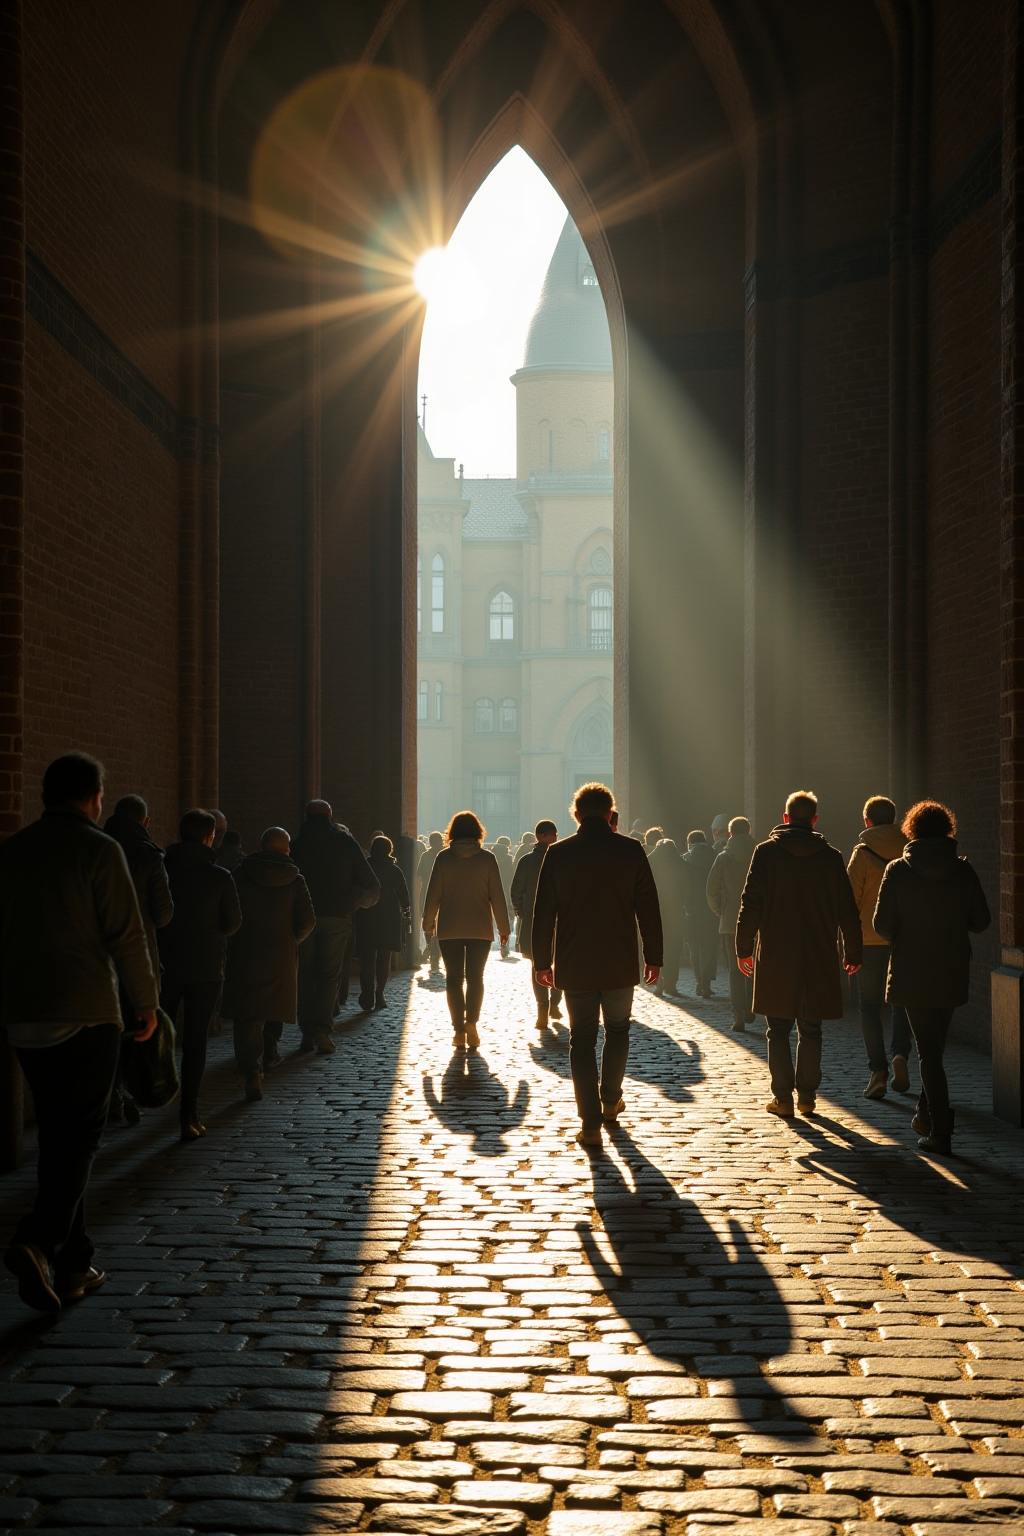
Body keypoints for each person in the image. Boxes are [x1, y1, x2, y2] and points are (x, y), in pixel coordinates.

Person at [1, 754, 158, 1312]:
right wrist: (147, 1002)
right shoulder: (99, 849)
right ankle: (37, 1242)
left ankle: (72, 1263)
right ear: (94, 797)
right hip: (87, 1012)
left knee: (59, 1138)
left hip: (24, 1015)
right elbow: (128, 933)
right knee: (83, 1137)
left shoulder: (13, 851)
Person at [532, 783, 663, 1148]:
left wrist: (542, 962)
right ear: (610, 814)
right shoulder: (631, 850)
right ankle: (609, 1101)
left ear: (576, 815)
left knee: (582, 1039)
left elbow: (543, 914)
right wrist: (654, 956)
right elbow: (648, 909)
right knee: (618, 1030)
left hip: (576, 962)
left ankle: (589, 1120)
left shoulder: (558, 854)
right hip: (620, 960)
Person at [736, 790, 863, 1117]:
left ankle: (783, 1098)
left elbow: (751, 903)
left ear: (786, 818)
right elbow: (848, 910)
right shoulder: (832, 857)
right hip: (818, 953)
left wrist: (743, 948)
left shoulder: (766, 854)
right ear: (815, 820)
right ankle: (807, 1095)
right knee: (811, 1028)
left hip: (777, 953)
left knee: (777, 1028)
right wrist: (853, 951)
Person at [873, 799, 990, 1154]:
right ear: (947, 830)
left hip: (911, 969)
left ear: (912, 829)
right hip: (952, 969)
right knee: (933, 1049)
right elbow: (981, 921)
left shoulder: (897, 870)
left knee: (928, 1053)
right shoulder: (963, 870)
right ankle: (926, 1115)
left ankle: (940, 1132)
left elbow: (881, 925)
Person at [159, 808, 242, 1141]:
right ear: (210, 837)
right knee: (195, 1041)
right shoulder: (220, 876)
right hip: (206, 966)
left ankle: (151, 1093)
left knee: (159, 1032)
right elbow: (233, 922)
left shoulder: (162, 867)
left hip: (165, 963)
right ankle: (188, 1113)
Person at [221, 827, 316, 1099]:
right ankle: (271, 1052)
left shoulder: (239, 875)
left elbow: (228, 912)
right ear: (287, 849)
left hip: (246, 949)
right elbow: (308, 921)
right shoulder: (295, 879)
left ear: (260, 846)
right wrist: (291, 940)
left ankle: (251, 1067)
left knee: (247, 1012)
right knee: (275, 1005)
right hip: (280, 952)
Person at [103, 794, 174, 1124]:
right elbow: (162, 914)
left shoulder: (97, 848)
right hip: (138, 955)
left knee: (105, 1028)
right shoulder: (148, 856)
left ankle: (111, 1097)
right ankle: (131, 1093)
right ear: (145, 822)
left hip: (98, 958)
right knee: (139, 1027)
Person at [291, 800, 379, 1054]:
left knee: (305, 974)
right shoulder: (345, 843)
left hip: (303, 917)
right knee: (329, 975)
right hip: (338, 917)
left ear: (306, 816)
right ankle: (322, 1030)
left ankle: (306, 1032)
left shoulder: (296, 845)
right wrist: (357, 902)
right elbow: (370, 881)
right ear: (330, 816)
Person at [422, 811, 510, 1050]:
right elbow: (497, 896)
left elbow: (433, 894)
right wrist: (503, 927)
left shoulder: (443, 858)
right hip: (480, 928)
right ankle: (472, 1021)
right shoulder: (488, 859)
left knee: (453, 978)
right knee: (475, 978)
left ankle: (458, 1030)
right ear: (477, 833)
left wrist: (428, 922)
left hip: (449, 927)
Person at [847, 795, 913, 1099]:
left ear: (866, 821)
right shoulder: (910, 850)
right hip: (903, 940)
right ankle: (900, 1054)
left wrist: (849, 943)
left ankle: (878, 1071)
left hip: (869, 940)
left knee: (869, 1006)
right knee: (901, 1002)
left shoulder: (862, 853)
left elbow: (850, 901)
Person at [707, 815, 757, 1032]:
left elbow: (711, 890)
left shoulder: (723, 857)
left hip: (730, 922)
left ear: (730, 833)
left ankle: (738, 1011)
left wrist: (722, 911)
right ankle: (751, 1005)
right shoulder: (760, 854)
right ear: (749, 831)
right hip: (757, 920)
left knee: (735, 969)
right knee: (754, 965)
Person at [510, 819, 563, 1029]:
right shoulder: (562, 859)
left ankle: (543, 1007)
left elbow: (516, 891)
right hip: (560, 922)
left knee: (537, 966)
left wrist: (522, 914)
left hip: (533, 922)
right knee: (559, 964)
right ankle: (553, 1005)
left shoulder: (526, 861)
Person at [355, 835, 411, 1011]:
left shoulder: (365, 868)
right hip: (388, 918)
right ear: (389, 850)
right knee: (384, 958)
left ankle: (366, 994)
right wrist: (406, 911)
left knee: (367, 958)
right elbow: (404, 895)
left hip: (367, 916)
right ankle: (380, 992)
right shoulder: (394, 869)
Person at [682, 830, 719, 998]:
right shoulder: (715, 857)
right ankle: (706, 983)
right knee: (709, 948)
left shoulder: (685, 860)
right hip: (711, 909)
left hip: (691, 909)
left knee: (694, 947)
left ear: (690, 843)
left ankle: (699, 981)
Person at [648, 838, 686, 997]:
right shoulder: (680, 863)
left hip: (654, 912)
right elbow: (687, 887)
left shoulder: (650, 861)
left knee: (656, 947)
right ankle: (671, 984)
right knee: (673, 949)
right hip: (675, 912)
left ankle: (658, 983)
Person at [417, 832, 445, 975]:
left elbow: (420, 876)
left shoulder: (426, 856)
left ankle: (431, 948)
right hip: (445, 893)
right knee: (443, 924)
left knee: (428, 921)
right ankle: (438, 952)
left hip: (428, 892)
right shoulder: (447, 855)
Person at [491, 836, 515, 958]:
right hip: (506, 892)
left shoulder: (489, 859)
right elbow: (512, 877)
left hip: (489, 893)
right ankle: (504, 943)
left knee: (490, 920)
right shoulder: (509, 859)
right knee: (506, 919)